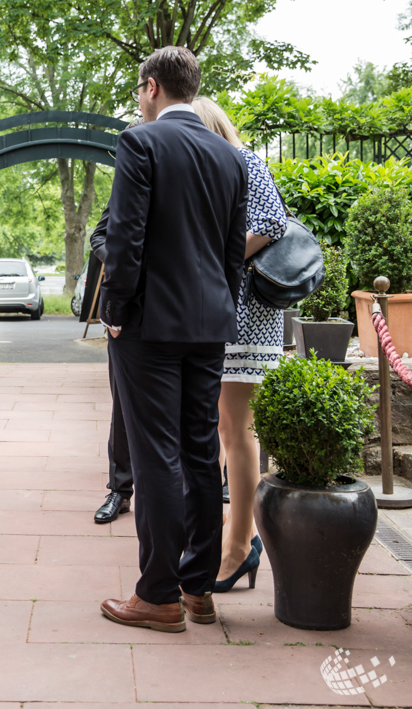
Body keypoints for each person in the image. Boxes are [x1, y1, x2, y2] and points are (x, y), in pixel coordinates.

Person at [99, 46, 248, 632]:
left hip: (150, 325)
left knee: (155, 452)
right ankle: (198, 589)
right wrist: (219, 311)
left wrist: (115, 309)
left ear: (153, 87)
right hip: (210, 323)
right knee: (199, 450)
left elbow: (125, 239)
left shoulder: (142, 141)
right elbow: (232, 254)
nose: (139, 99)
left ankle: (157, 594)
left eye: (140, 89)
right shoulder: (231, 156)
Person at [191, 97, 287, 592]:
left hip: (247, 311)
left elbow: (270, 224)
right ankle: (233, 538)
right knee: (224, 428)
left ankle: (240, 545)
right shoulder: (220, 164)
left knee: (235, 429)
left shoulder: (244, 160)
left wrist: (215, 254)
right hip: (224, 307)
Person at [91, 119, 144, 525]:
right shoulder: (124, 184)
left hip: (177, 312)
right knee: (123, 408)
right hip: (126, 312)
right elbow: (99, 236)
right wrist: (120, 260)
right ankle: (119, 490)